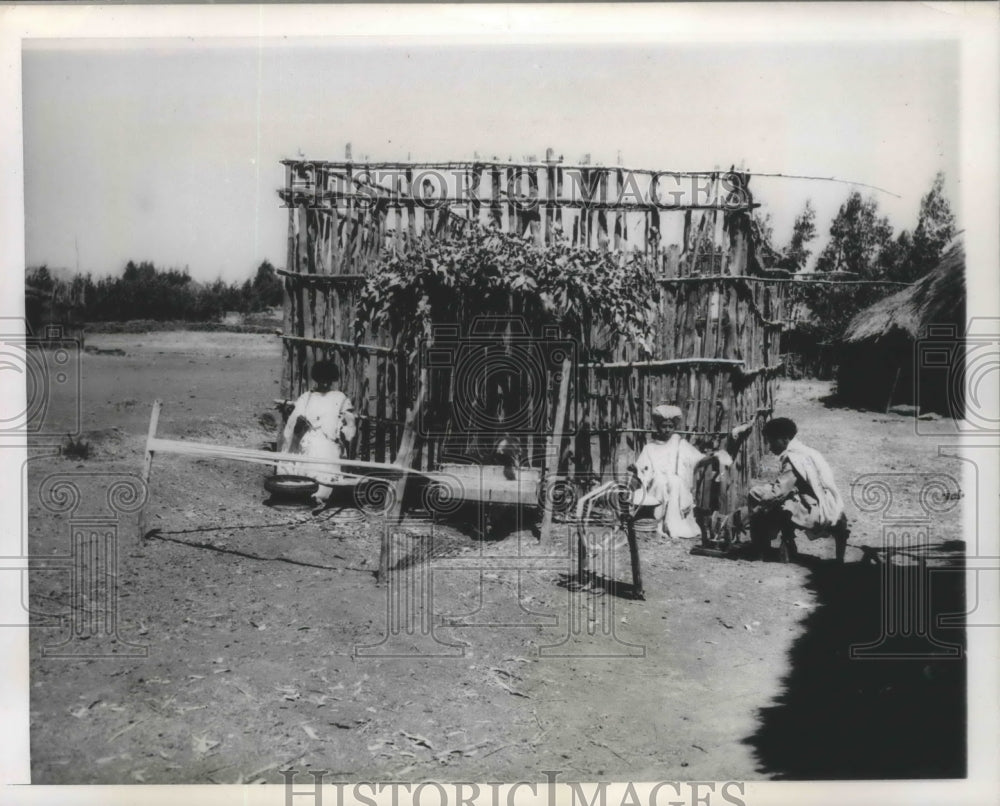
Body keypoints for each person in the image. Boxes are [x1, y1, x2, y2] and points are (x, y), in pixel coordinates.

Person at [629, 404, 751, 540]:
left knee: (674, 482)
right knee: (661, 482)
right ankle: (658, 523)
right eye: (664, 426)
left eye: (670, 426)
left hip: (677, 487)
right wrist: (636, 471)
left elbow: (697, 459)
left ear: (674, 427)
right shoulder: (649, 448)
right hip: (656, 487)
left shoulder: (680, 444)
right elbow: (642, 471)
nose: (667, 430)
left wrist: (715, 456)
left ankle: (674, 526)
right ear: (658, 427)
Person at [736, 416, 849, 562]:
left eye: (771, 441)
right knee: (776, 498)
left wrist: (757, 507)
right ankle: (783, 542)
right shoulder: (807, 451)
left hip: (815, 510)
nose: (770, 447)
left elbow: (779, 492)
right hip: (829, 503)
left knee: (757, 494)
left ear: (784, 439)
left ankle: (760, 547)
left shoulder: (792, 458)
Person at [277, 360, 357, 506]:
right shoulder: (307, 397)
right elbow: (293, 422)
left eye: (328, 381)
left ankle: (323, 494)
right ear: (316, 379)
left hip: (330, 441)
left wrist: (346, 432)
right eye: (321, 381)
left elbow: (349, 422)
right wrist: (299, 423)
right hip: (308, 438)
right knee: (310, 452)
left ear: (332, 380)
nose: (325, 384)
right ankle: (305, 492)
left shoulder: (339, 398)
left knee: (325, 454)